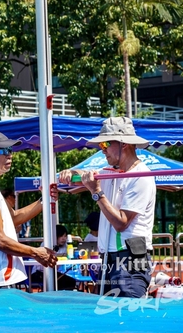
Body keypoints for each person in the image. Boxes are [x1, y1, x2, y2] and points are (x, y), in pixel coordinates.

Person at [59, 117, 156, 298]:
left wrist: (96, 193)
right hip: (109, 258)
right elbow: (86, 175)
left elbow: (121, 223)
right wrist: (72, 173)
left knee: (128, 313)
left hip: (130, 259)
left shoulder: (141, 176)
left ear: (124, 144)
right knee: (107, 314)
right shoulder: (110, 172)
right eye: (100, 144)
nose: (102, 149)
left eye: (105, 143)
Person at [0, 131, 57, 291]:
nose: (9, 155)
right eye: (2, 150)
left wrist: (45, 200)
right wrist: (36, 252)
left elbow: (13, 218)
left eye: (10, 150)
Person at [31, 224, 77, 291]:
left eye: (65, 236)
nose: (63, 238)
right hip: (39, 273)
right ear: (55, 236)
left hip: (54, 272)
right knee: (67, 282)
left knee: (70, 281)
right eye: (61, 236)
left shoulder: (66, 246)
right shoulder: (46, 244)